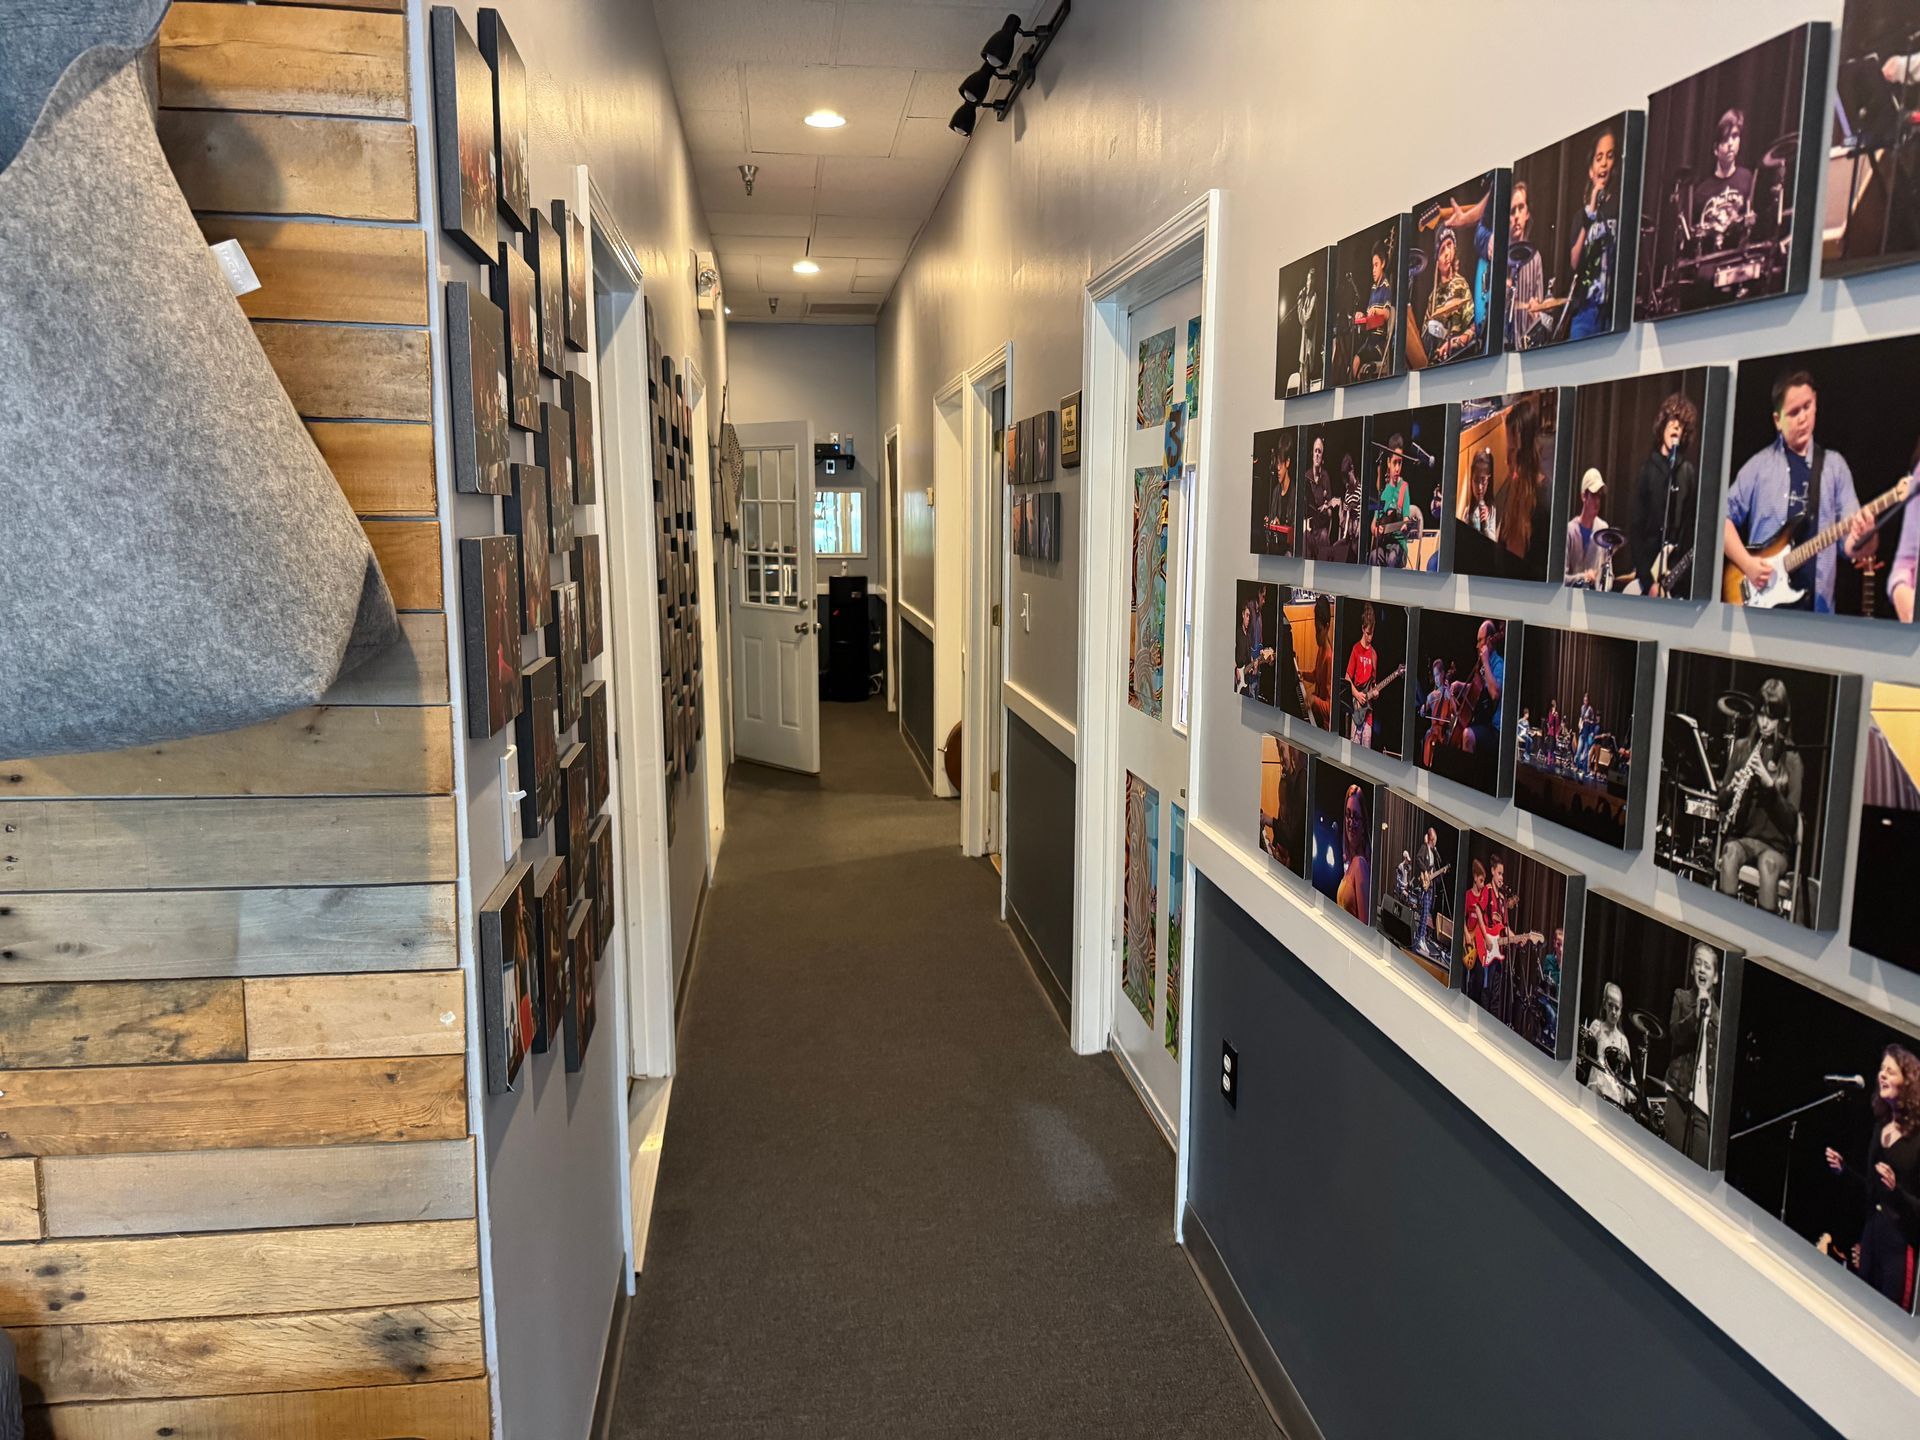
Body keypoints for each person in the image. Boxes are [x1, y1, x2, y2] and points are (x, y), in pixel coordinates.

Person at [1725, 370, 1876, 612]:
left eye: (1807, 406)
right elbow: (1721, 520)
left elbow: (1851, 547)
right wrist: (1748, 565)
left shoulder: (1835, 467)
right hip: (1761, 609)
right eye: (1793, 413)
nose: (1803, 418)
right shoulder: (1758, 467)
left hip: (1817, 614)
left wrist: (1865, 537)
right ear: (1777, 420)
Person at [1825, 1046, 1920, 1312]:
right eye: (1882, 1070)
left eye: (1891, 1071)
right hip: (1870, 1241)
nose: (1882, 1075)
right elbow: (1871, 1190)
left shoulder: (1916, 1140)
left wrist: (1896, 1192)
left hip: (1899, 1250)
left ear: (1909, 1081)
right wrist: (1845, 1172)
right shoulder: (1879, 1129)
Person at [1716, 678, 1804, 914]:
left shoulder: (1792, 757)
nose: (1765, 723)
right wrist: (1732, 788)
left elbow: (1792, 821)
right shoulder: (1744, 748)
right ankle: (1726, 922)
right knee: (1730, 852)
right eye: (1761, 715)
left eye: (1772, 717)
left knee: (1768, 865)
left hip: (1775, 848)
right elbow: (1721, 802)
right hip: (1745, 839)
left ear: (1782, 719)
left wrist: (1769, 785)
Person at [1631, 391, 1700, 597]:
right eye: (1673, 420)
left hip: (1675, 577)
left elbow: (1690, 530)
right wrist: (1648, 580)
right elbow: (1635, 530)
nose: (1677, 426)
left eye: (1682, 424)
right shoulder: (1647, 470)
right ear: (1663, 424)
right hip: (1648, 577)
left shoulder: (1688, 473)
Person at [1663, 943, 1720, 1165]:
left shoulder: (1719, 1019)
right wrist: (1695, 1015)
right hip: (1679, 1092)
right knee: (1672, 1161)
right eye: (1698, 963)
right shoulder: (1682, 998)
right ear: (1692, 970)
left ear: (1715, 977)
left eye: (1707, 966)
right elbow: (1676, 1035)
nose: (1702, 969)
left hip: (1704, 1105)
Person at [1566, 126, 1620, 340]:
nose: (1604, 163)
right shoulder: (1582, 216)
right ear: (1591, 170)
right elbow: (1575, 262)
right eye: (1599, 158)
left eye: (1609, 156)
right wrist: (1590, 215)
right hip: (1585, 310)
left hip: (1613, 308)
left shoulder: (1620, 207)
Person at [1694, 108, 1756, 250]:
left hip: (1738, 261)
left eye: (1734, 136)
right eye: (1725, 139)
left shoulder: (1747, 178)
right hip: (1712, 262)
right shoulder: (1701, 192)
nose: (1730, 144)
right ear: (1716, 149)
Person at [1506, 180, 1553, 351]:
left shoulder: (1535, 259)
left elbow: (1540, 307)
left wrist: (1536, 307)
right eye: (1512, 211)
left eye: (1521, 208)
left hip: (1526, 349)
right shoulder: (1497, 259)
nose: (1516, 216)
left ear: (1527, 214)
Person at [1422, 228, 1475, 363]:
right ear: (1436, 260)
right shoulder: (1433, 296)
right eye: (1441, 250)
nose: (1446, 253)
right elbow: (1424, 336)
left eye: (1449, 245)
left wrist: (1455, 342)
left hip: (1456, 357)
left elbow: (1473, 326)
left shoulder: (1460, 284)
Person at [1454, 620, 1504, 757]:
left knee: (1468, 735)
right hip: (1484, 722)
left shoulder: (1498, 664)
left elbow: (1494, 694)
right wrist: (1460, 686)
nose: (1477, 646)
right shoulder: (1483, 666)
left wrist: (1486, 661)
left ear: (1489, 640)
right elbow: (1478, 692)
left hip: (1495, 729)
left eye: (1480, 640)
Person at [1584, 981, 1636, 1109]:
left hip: (1614, 1093)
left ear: (1621, 1009)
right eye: (1610, 1006)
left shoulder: (1623, 1040)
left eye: (1617, 1008)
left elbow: (1629, 1075)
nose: (1613, 1011)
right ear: (1604, 1005)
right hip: (1597, 1087)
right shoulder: (1597, 1027)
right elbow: (1585, 1054)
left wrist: (1630, 1091)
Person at [1350, 242, 1394, 381]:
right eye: (1372, 266)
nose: (1373, 270)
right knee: (1354, 362)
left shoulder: (1386, 286)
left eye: (1376, 265)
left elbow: (1387, 314)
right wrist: (1361, 315)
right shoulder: (1374, 288)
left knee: (1358, 361)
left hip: (1379, 342)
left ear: (1383, 264)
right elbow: (1370, 314)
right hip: (1369, 339)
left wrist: (1377, 310)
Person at [1369, 433, 1412, 566]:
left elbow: (1406, 518)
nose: (1398, 468)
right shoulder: (1382, 492)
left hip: (1399, 547)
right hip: (1384, 544)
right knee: (1373, 556)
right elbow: (1373, 525)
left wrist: (1405, 526)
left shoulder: (1404, 488)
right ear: (1388, 463)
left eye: (1400, 463)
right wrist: (1377, 531)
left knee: (1392, 558)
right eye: (1395, 463)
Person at [1565, 470, 1611, 587]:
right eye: (1594, 495)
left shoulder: (1603, 529)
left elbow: (1609, 574)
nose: (1597, 501)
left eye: (1599, 496)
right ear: (1583, 496)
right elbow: (1560, 578)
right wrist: (1583, 577)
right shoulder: (1570, 530)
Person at [1343, 603, 1379, 746]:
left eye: (1372, 633)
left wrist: (1376, 694)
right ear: (1363, 629)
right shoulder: (1356, 650)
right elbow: (1347, 678)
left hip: (1368, 714)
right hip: (1356, 710)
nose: (1370, 637)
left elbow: (1374, 684)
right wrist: (1357, 695)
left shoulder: (1374, 654)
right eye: (1368, 633)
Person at [1336, 783, 1370, 922]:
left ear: (1363, 825)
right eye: (1348, 815)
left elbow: (1364, 923)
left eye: (1356, 817)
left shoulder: (1360, 864)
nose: (1350, 822)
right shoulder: (1350, 862)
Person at [1302, 433, 1338, 561]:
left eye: (1320, 452)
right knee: (1304, 535)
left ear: (1322, 456)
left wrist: (1326, 508)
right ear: (1312, 454)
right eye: (1315, 451)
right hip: (1309, 527)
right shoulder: (1306, 476)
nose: (1317, 454)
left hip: (1321, 528)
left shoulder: (1326, 477)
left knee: (1324, 536)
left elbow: (1330, 513)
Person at [1233, 588, 1274, 700]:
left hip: (1254, 670)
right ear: (1258, 594)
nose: (1264, 601)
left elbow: (1258, 644)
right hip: (1247, 672)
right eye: (1263, 597)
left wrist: (1264, 657)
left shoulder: (1259, 615)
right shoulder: (1250, 608)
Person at [1413, 825, 1446, 960]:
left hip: (1430, 886)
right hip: (1425, 884)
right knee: (1424, 912)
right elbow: (1418, 859)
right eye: (1434, 841)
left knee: (1427, 914)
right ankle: (1420, 937)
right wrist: (1425, 871)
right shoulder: (1424, 848)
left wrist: (1440, 873)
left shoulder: (1433, 853)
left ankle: (1423, 937)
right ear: (1431, 839)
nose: (1435, 844)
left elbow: (1433, 871)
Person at [1259, 436, 1294, 555]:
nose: (1277, 468)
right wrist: (1270, 520)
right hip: (1275, 551)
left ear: (1287, 462)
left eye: (1280, 463)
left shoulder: (1295, 493)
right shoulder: (1275, 492)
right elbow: (1272, 517)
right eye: (1276, 463)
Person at [1307, 595, 1334, 729]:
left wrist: (1314, 700)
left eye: (1319, 630)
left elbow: (1330, 710)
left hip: (1322, 724)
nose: (1316, 635)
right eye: (1315, 629)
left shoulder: (1330, 658)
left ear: (1327, 627)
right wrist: (1302, 674)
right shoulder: (1321, 648)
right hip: (1315, 716)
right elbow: (1316, 675)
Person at [1462, 446, 1499, 542]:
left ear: (1489, 480)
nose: (1479, 487)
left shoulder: (1491, 510)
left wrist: (1485, 526)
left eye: (1483, 480)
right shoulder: (1467, 512)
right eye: (1476, 480)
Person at [1575, 691, 1599, 777]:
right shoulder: (1582, 707)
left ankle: (1584, 770)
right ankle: (1577, 767)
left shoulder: (1590, 709)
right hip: (1582, 732)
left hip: (1587, 732)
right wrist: (1579, 723)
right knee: (1578, 751)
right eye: (1584, 700)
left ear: (1588, 701)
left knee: (1585, 753)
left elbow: (1593, 722)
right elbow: (1581, 717)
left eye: (1586, 700)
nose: (1585, 702)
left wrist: (1588, 721)